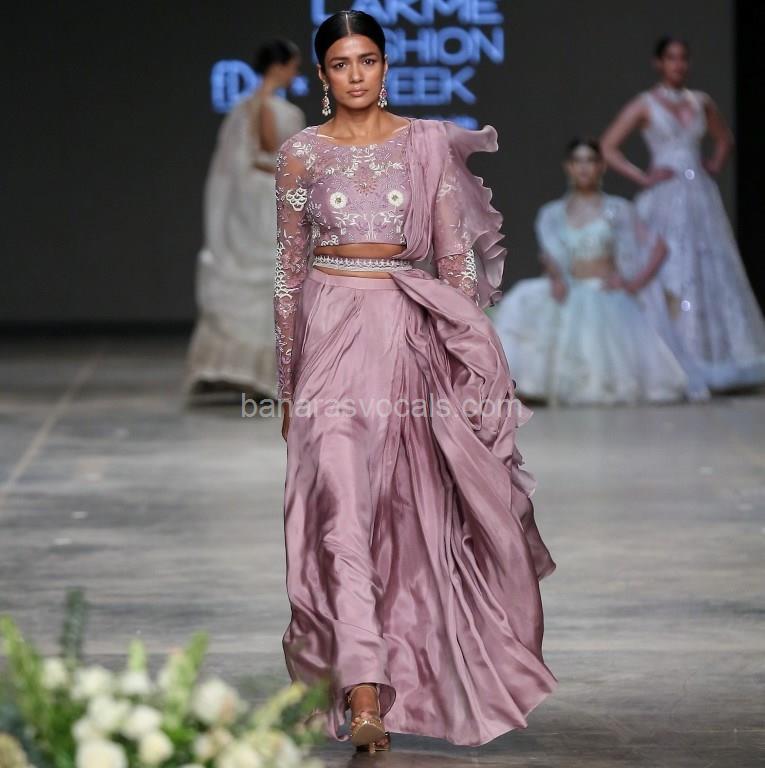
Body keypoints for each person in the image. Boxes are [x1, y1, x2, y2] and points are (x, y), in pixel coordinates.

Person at [274, 9, 556, 753]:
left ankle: (399, 678)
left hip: (407, 340)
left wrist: (469, 366)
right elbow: (287, 274)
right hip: (329, 340)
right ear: (323, 75)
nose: (356, 75)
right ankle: (363, 691)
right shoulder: (300, 155)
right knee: (338, 512)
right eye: (341, 63)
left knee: (404, 520)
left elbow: (456, 262)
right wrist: (286, 383)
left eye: (367, 60)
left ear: (385, 66)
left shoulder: (423, 144)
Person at [600, 36, 765, 392]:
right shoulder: (645, 104)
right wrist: (643, 176)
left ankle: (714, 359)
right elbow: (607, 146)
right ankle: (672, 362)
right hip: (664, 197)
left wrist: (714, 164)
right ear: (658, 63)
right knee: (670, 269)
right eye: (671, 58)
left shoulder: (701, 101)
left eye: (683, 58)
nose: (678, 65)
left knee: (710, 271)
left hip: (701, 198)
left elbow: (725, 139)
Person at [491, 138, 708, 406]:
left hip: (605, 294)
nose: (584, 168)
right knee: (522, 300)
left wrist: (632, 283)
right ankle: (527, 385)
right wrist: (556, 277)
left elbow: (659, 247)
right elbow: (550, 254)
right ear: (568, 167)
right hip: (570, 290)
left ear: (601, 166)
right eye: (577, 161)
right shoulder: (553, 213)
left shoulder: (618, 209)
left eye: (591, 161)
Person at [185, 39, 305, 400]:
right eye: (293, 66)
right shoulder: (281, 111)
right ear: (279, 67)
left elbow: (229, 167)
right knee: (274, 279)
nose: (296, 73)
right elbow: (275, 152)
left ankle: (230, 367)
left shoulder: (240, 108)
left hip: (244, 207)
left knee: (252, 277)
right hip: (270, 203)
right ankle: (267, 374)